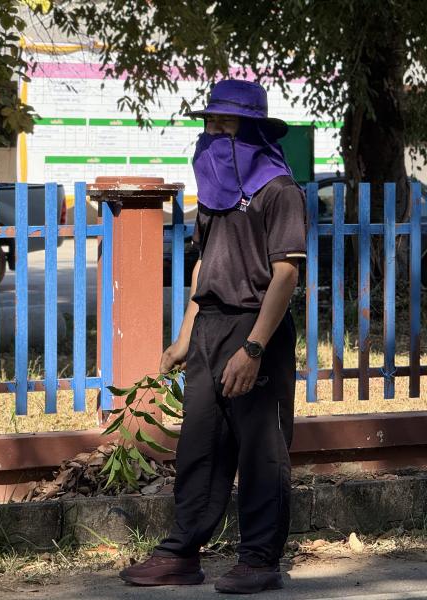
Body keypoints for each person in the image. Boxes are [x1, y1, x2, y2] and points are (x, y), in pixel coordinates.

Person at [118, 79, 306, 594]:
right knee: (199, 447)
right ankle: (181, 553)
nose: (214, 132)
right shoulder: (215, 187)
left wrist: (254, 348)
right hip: (210, 327)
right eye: (210, 122)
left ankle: (259, 560)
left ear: (252, 129)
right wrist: (185, 336)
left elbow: (286, 274)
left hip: (256, 327)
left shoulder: (279, 190)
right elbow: (205, 263)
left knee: (261, 450)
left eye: (225, 123)